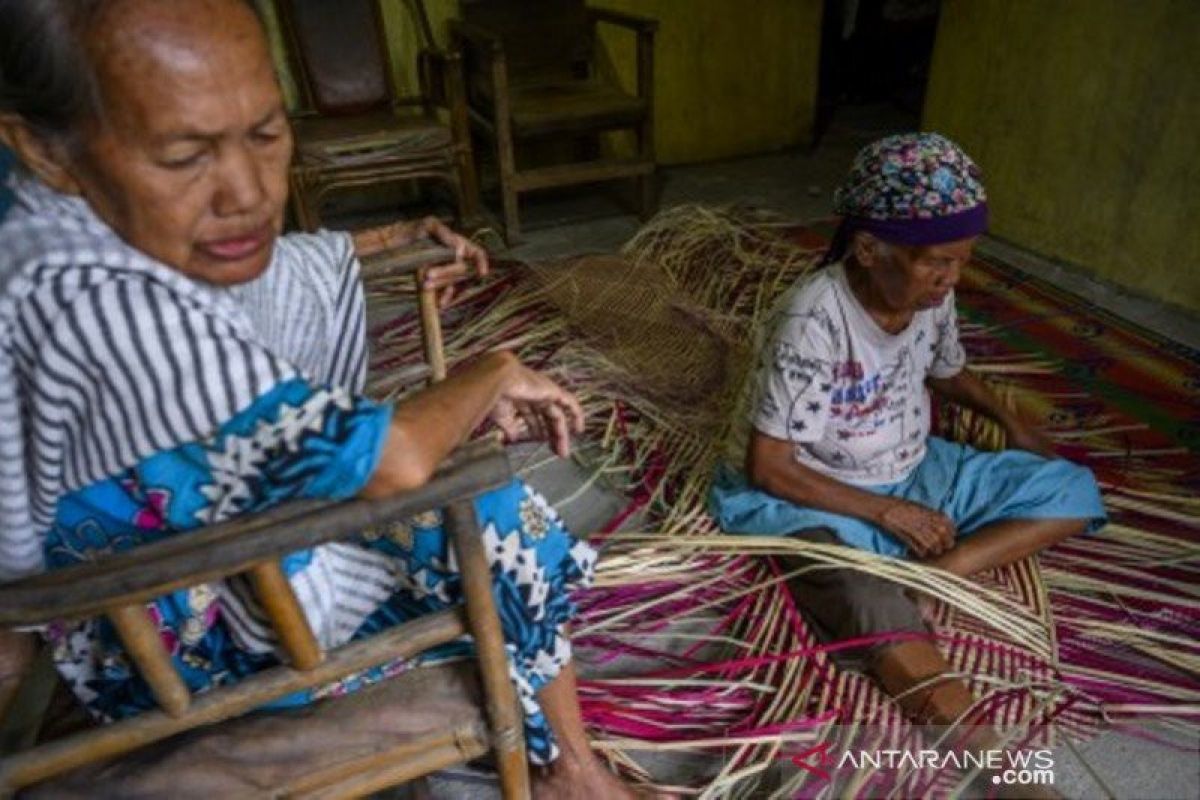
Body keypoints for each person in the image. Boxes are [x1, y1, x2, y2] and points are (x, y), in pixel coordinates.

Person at [0, 1, 652, 796]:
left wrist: (374, 242)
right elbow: (394, 462)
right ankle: (571, 769)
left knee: (456, 514)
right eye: (182, 155)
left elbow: (239, 279)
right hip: (176, 632)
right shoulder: (116, 318)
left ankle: (559, 754)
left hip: (155, 567)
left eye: (268, 133)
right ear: (41, 146)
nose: (247, 193)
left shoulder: (38, 233)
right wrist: (489, 369)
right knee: (496, 515)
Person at [710, 133, 1106, 747]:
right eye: (938, 262)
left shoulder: (927, 296)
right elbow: (770, 466)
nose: (952, 278)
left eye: (963, 259)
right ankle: (1014, 777)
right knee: (869, 606)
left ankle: (934, 576)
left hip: (914, 467)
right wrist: (886, 512)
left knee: (1071, 490)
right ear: (869, 249)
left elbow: (943, 368)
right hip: (812, 493)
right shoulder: (814, 318)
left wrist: (1006, 419)